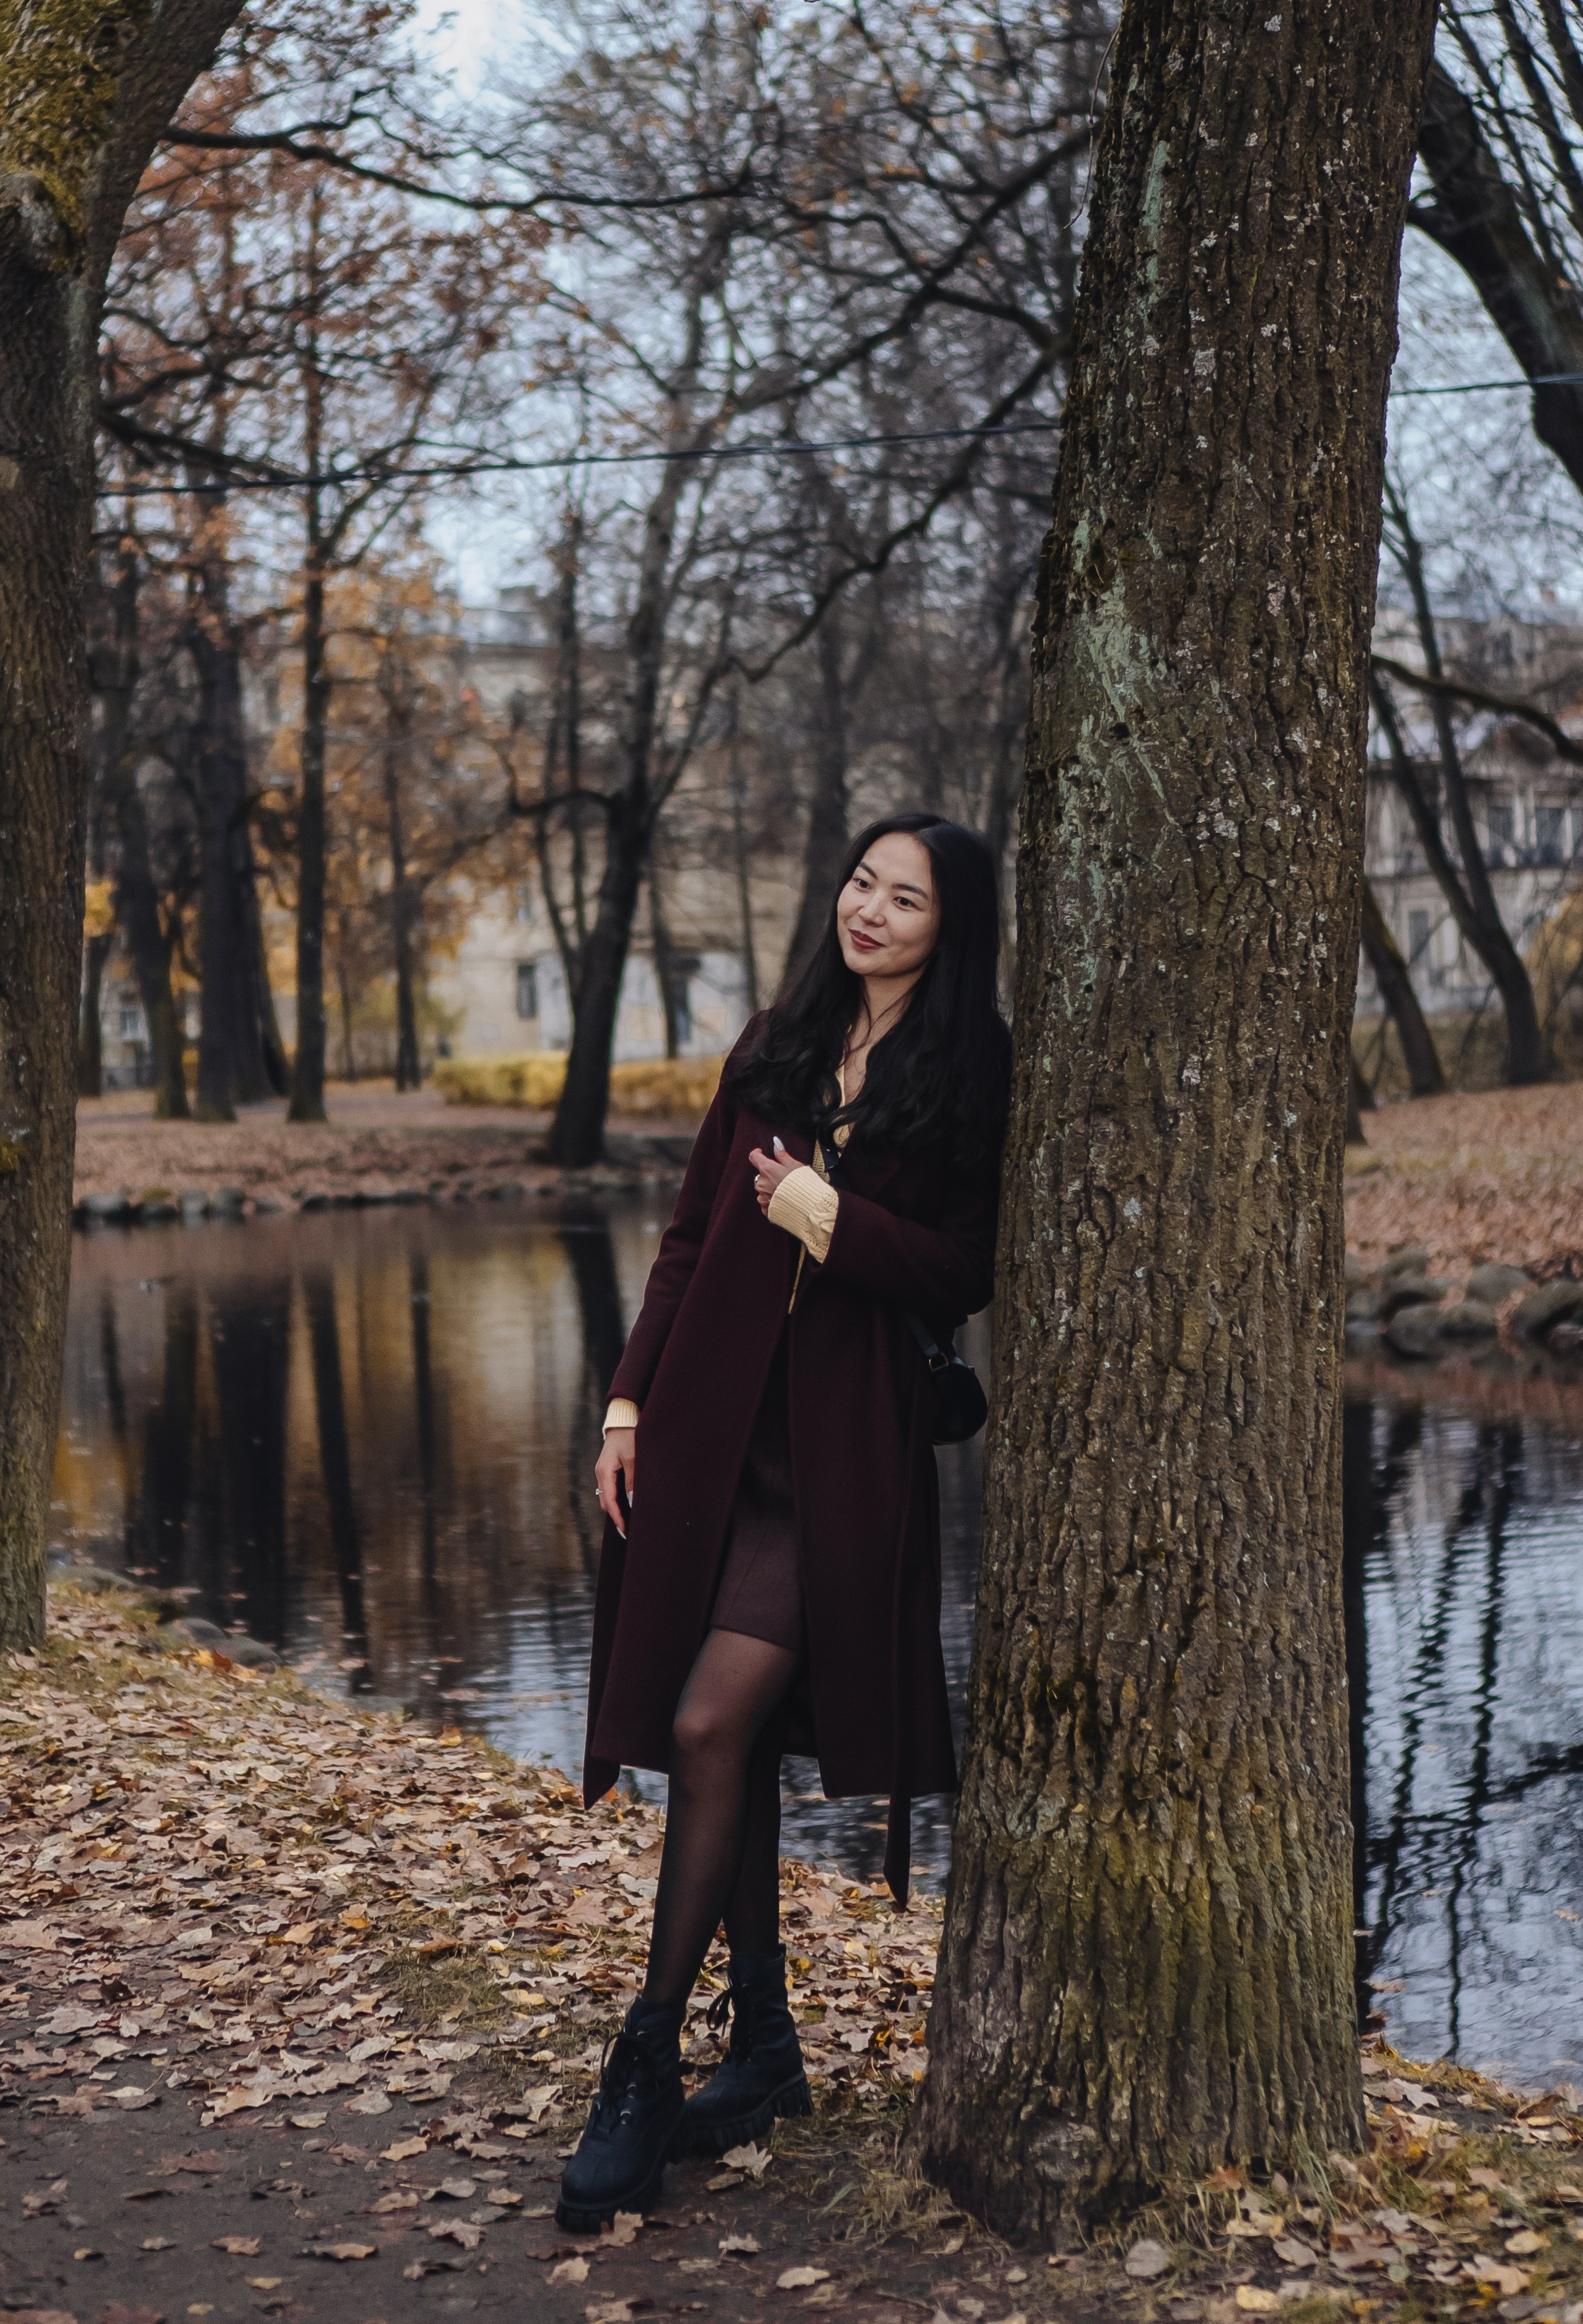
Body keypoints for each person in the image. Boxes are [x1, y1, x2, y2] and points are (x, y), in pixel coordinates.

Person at [555, 812, 1011, 2232]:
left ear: (951, 925)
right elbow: (692, 1233)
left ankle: (640, 2062)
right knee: (717, 1739)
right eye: (858, 883)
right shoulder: (774, 1042)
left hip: (838, 1454)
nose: (867, 911)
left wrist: (827, 1214)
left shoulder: (971, 1067)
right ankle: (758, 2052)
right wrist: (625, 1403)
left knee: (705, 1725)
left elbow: (961, 1269)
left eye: (904, 897)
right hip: (707, 1434)